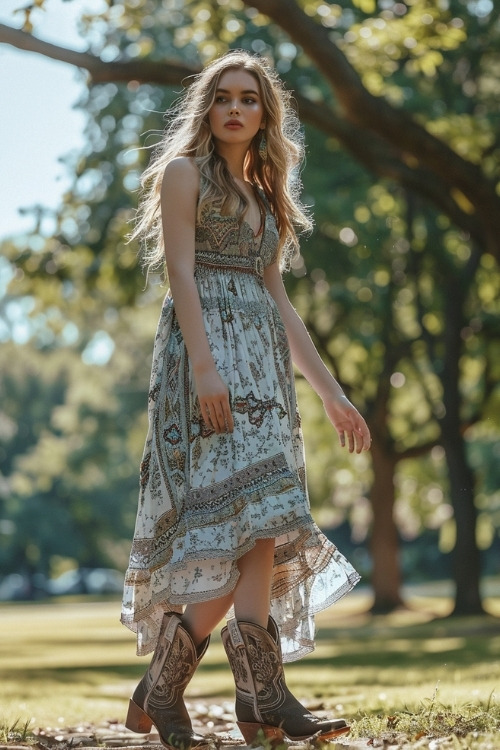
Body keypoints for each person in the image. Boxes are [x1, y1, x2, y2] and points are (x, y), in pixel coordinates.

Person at [121, 50, 371, 750]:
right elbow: (179, 273)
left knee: (265, 521)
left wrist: (331, 393)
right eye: (224, 96)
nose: (236, 108)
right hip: (202, 362)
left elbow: (280, 303)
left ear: (266, 113)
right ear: (207, 107)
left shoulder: (266, 192)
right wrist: (205, 368)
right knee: (238, 525)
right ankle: (196, 692)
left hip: (264, 371)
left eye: (250, 99)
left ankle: (248, 697)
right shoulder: (183, 176)